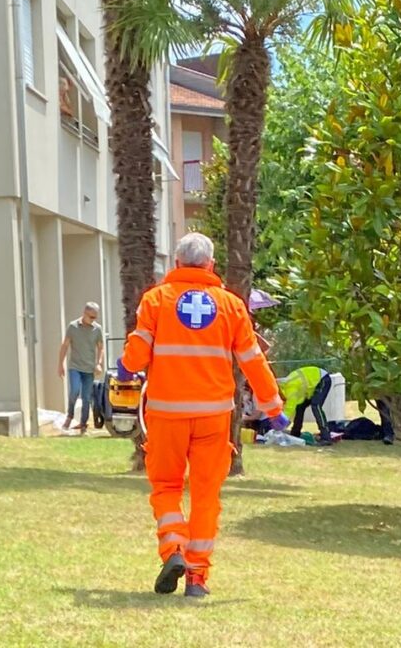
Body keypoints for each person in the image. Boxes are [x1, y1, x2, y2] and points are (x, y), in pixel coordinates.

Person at [117, 233, 285, 599]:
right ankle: (196, 578)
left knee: (166, 487)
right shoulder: (231, 305)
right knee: (206, 494)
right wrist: (273, 406)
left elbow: (137, 353)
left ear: (177, 263)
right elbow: (253, 360)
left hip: (166, 414)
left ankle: (173, 549)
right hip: (213, 416)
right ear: (211, 265)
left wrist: (125, 365)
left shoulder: (156, 300)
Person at [59, 302, 104, 434]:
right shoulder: (73, 327)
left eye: (95, 317)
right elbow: (65, 345)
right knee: (74, 391)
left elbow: (100, 348)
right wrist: (60, 364)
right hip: (75, 366)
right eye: (91, 317)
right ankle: (69, 416)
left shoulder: (97, 329)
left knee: (86, 397)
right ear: (84, 313)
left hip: (89, 369)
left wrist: (99, 363)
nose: (93, 320)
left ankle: (83, 424)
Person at [278, 366, 336, 444]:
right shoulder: (286, 385)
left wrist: (279, 426)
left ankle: (326, 437)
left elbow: (289, 409)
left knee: (316, 406)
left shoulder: (290, 389)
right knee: (300, 407)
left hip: (322, 379)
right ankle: (295, 433)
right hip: (312, 386)